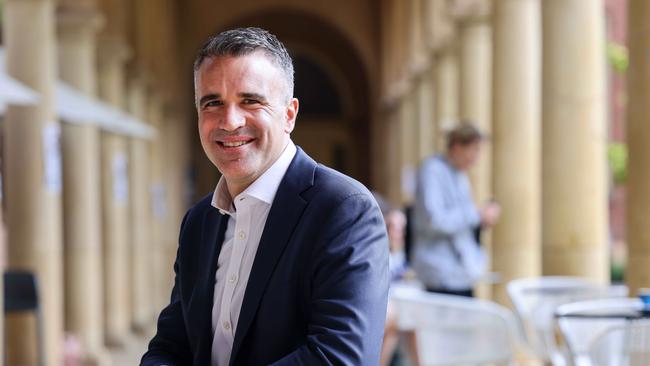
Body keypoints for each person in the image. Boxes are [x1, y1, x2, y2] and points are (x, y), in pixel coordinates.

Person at [141, 27, 389, 366]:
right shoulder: (199, 221)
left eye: (250, 100)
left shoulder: (344, 210)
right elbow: (172, 346)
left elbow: (340, 357)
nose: (229, 121)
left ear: (289, 114)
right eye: (213, 102)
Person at [411, 123, 500, 297]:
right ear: (458, 147)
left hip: (461, 273)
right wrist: (476, 214)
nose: (476, 158)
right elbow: (434, 220)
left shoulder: (460, 175)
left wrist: (481, 218)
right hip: (440, 274)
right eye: (474, 150)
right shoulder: (432, 170)